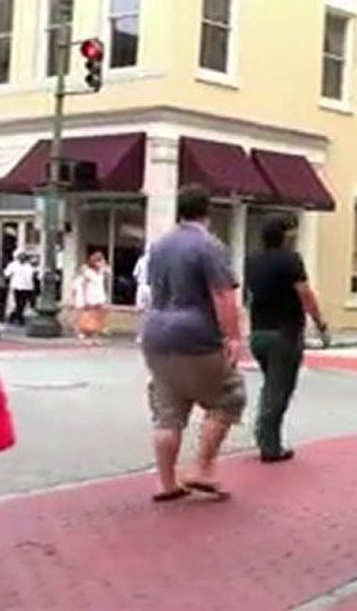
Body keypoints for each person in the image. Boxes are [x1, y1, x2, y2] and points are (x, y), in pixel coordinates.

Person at [140, 184, 246, 502]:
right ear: (207, 211)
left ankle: (166, 482)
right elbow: (222, 294)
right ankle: (202, 467)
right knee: (228, 397)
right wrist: (234, 336)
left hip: (156, 332)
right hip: (196, 334)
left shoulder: (159, 246)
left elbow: (151, 289)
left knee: (168, 410)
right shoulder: (209, 246)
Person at [244, 213, 325, 462]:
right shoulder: (291, 260)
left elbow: (250, 295)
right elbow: (305, 294)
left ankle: (267, 437)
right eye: (292, 231)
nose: (295, 235)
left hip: (259, 331)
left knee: (271, 385)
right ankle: (269, 445)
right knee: (279, 391)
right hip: (284, 333)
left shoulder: (252, 260)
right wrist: (320, 323)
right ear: (284, 234)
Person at [70, 251, 110, 342]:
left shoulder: (100, 272)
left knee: (98, 316)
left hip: (99, 297)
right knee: (90, 317)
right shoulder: (88, 272)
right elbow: (84, 285)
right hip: (91, 297)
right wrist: (84, 299)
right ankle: (85, 333)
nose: (102, 263)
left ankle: (95, 335)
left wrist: (104, 269)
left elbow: (107, 276)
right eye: (100, 261)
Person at [4, 252, 35, 325]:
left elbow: (30, 277)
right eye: (21, 257)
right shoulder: (13, 265)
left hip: (26, 287)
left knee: (22, 303)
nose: (22, 259)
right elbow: (7, 274)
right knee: (18, 302)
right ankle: (19, 317)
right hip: (17, 287)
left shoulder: (29, 266)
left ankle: (15, 316)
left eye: (23, 257)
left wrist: (31, 287)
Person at [132, 246, 151, 344]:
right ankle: (147, 335)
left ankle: (141, 335)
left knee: (141, 312)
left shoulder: (141, 260)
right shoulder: (154, 261)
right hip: (150, 287)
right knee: (150, 311)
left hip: (142, 286)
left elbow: (135, 274)